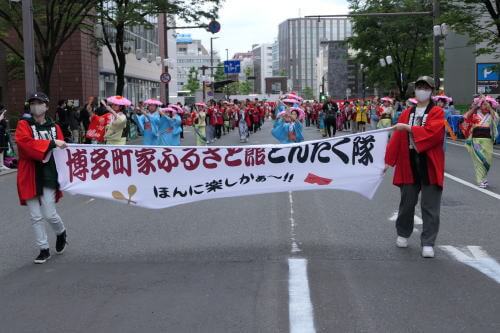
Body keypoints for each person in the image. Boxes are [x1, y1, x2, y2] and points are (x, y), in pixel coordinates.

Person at [385, 76, 445, 259]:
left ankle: (428, 242)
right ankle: (403, 233)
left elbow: (433, 134)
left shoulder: (436, 112)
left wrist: (410, 129)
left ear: (432, 91)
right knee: (407, 202)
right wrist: (388, 161)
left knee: (430, 205)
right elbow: (396, 138)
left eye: (425, 87)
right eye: (419, 87)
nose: (421, 90)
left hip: (429, 163)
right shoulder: (406, 113)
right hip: (408, 162)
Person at [15, 92, 68, 264]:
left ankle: (61, 232)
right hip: (30, 173)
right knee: (35, 216)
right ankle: (43, 248)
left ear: (46, 106)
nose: (35, 106)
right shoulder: (24, 125)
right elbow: (24, 144)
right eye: (32, 103)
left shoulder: (55, 127)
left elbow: (63, 152)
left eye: (39, 103)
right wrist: (51, 144)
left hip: (49, 173)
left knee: (50, 213)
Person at [462, 96, 499, 188]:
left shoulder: (492, 115)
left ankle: (484, 177)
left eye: (488, 105)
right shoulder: (475, 115)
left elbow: (496, 118)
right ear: (480, 106)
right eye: (483, 105)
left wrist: (488, 105)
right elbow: (466, 117)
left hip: (488, 141)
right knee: (479, 160)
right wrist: (475, 106)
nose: (486, 107)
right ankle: (480, 180)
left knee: (488, 160)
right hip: (476, 141)